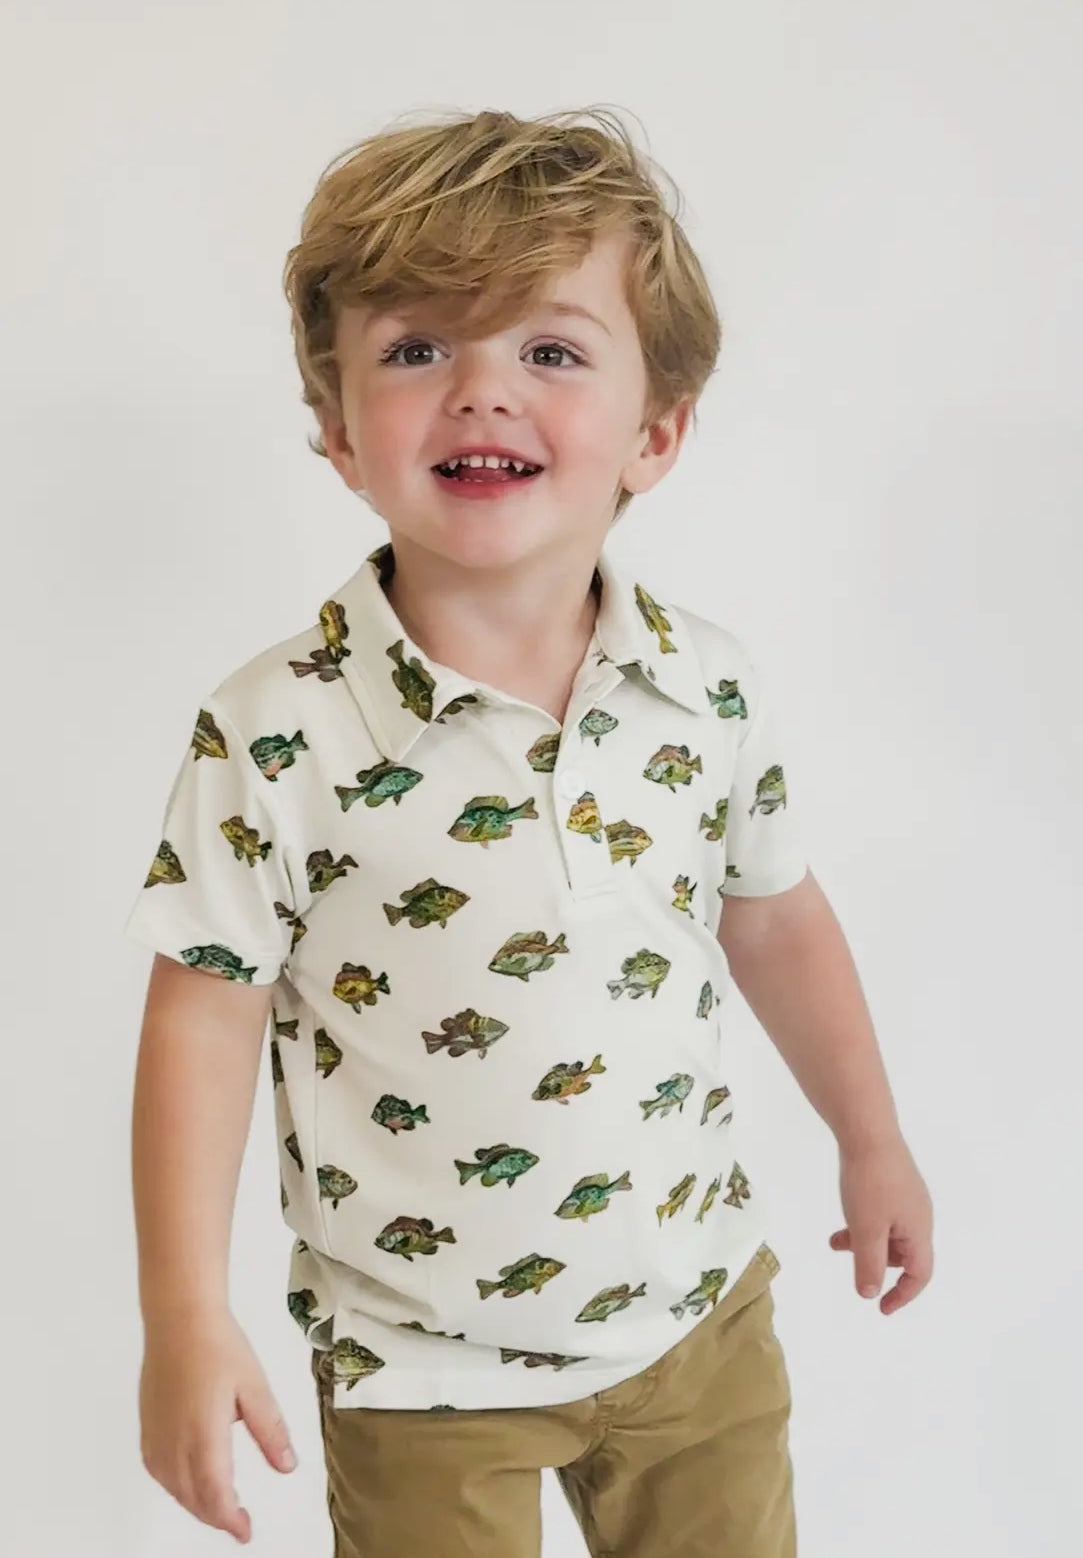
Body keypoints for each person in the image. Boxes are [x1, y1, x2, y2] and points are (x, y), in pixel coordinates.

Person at [124, 105, 934, 1558]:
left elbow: (776, 918)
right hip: (420, 1366)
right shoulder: (274, 730)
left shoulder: (708, 687)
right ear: (336, 429)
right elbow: (203, 1011)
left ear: (656, 431)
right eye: (416, 350)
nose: (481, 394)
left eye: (550, 351)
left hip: (694, 1318)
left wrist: (872, 1140)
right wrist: (184, 1312)